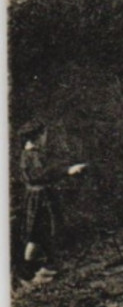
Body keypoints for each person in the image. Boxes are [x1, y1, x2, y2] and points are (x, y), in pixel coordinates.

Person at [16, 121, 87, 285]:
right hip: (38, 199)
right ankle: (26, 274)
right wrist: (67, 171)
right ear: (36, 137)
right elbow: (42, 175)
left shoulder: (33, 154)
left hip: (43, 197)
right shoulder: (30, 156)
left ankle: (43, 269)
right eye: (43, 135)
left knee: (44, 232)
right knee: (35, 234)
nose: (45, 139)